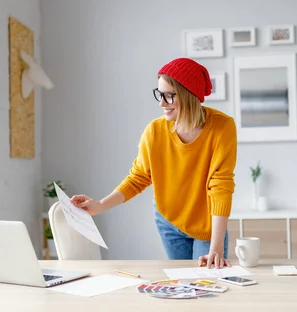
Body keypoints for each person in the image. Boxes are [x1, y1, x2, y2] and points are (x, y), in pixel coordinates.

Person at [70, 57, 237, 269]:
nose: (161, 103)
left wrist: (216, 247)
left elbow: (220, 185)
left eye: (169, 96)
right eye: (160, 94)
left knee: (208, 286)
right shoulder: (155, 131)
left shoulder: (222, 128)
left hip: (207, 226)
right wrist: (100, 205)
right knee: (181, 287)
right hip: (168, 221)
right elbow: (139, 177)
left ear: (188, 95)